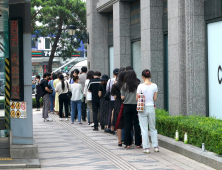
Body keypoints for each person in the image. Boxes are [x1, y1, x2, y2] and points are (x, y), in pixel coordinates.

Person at [136, 69, 159, 153]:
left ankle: (146, 148)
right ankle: (156, 146)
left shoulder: (140, 86)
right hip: (151, 107)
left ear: (142, 77)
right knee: (153, 128)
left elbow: (137, 98)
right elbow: (155, 98)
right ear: (150, 76)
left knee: (144, 128)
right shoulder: (154, 86)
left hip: (142, 109)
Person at [121, 70, 141, 149]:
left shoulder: (124, 85)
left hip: (127, 106)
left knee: (127, 125)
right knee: (137, 124)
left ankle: (127, 143)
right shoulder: (138, 85)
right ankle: (138, 143)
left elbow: (122, 97)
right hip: (136, 106)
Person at [111, 70, 126, 146]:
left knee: (119, 123)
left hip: (117, 104)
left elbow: (114, 95)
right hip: (125, 104)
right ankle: (126, 140)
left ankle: (119, 141)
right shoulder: (127, 86)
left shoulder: (115, 85)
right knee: (126, 122)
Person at [105, 68, 119, 133]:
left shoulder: (110, 80)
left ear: (113, 73)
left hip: (112, 99)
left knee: (111, 113)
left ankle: (110, 126)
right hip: (119, 99)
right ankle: (117, 127)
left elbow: (107, 90)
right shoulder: (120, 81)